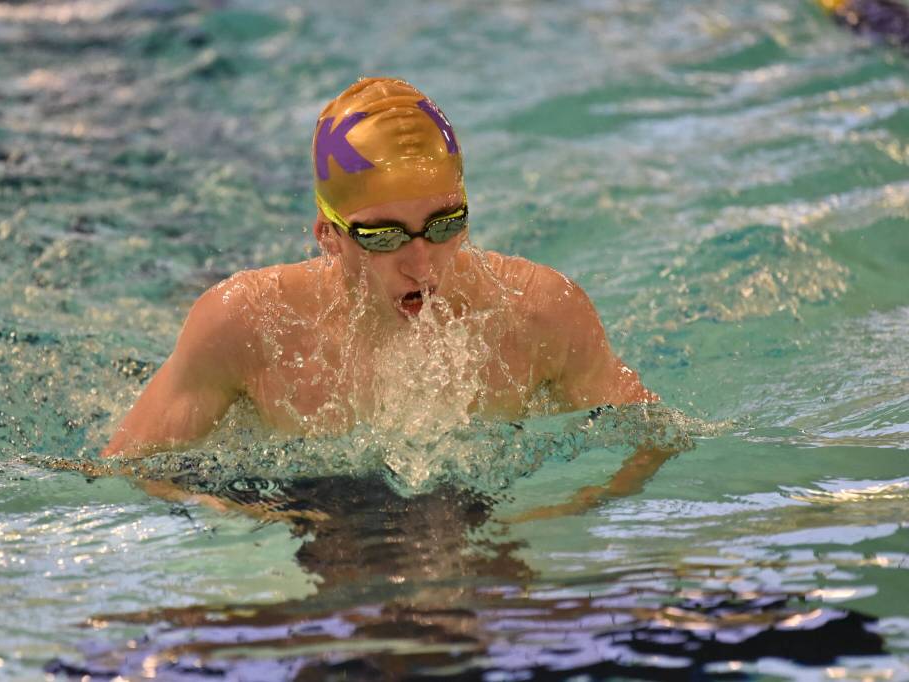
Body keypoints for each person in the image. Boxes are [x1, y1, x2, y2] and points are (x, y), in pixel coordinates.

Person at [101, 77, 670, 515]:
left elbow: (657, 436)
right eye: (384, 236)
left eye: (445, 224)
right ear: (328, 234)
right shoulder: (245, 325)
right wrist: (240, 517)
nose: (422, 264)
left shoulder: (540, 311)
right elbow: (125, 470)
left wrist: (567, 510)